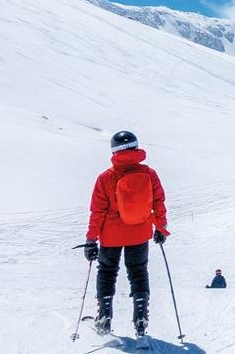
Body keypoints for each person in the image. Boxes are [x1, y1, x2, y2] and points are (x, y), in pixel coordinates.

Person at [82, 131, 169, 339]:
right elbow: (159, 203)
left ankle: (104, 319)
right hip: (139, 233)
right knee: (138, 272)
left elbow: (97, 212)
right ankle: (140, 321)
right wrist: (161, 228)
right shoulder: (149, 173)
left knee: (107, 272)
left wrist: (91, 239)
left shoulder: (106, 177)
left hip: (111, 236)